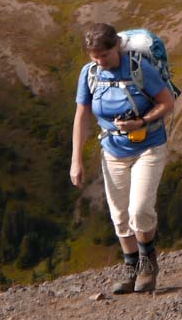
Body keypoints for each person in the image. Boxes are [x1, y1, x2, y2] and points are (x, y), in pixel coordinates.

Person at [70, 23, 176, 295]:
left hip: (149, 145)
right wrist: (76, 160)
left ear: (116, 46)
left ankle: (148, 262)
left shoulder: (140, 69)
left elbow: (167, 103)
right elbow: (82, 115)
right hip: (112, 149)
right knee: (120, 215)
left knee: (139, 209)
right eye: (93, 57)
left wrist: (142, 120)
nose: (99, 62)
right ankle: (131, 267)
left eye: (103, 55)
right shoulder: (90, 74)